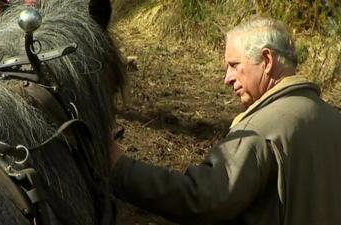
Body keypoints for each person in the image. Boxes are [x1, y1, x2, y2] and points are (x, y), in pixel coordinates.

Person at [109, 16, 341, 225]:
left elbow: (202, 199)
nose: (226, 78)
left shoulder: (259, 131)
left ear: (267, 60)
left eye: (234, 65)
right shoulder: (333, 119)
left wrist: (120, 168)